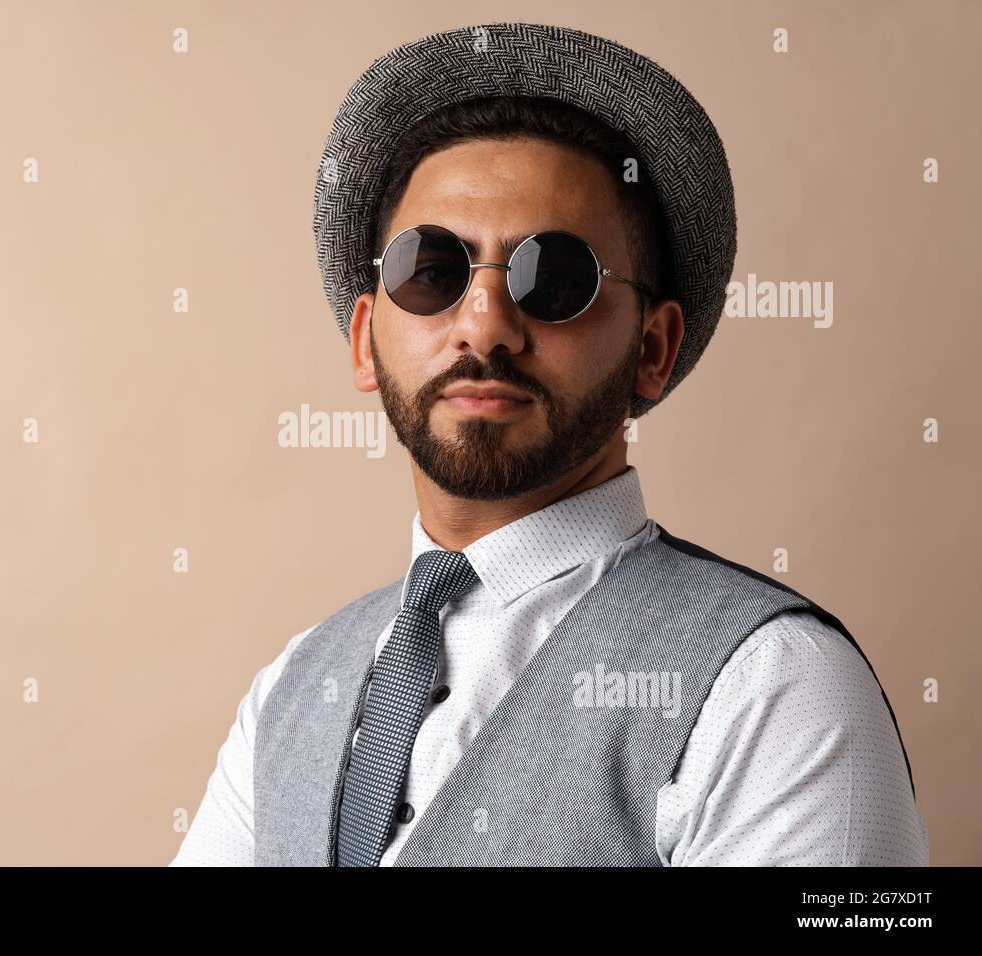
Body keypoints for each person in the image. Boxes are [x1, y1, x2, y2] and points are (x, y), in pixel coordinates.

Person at [171, 22, 928, 866]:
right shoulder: (289, 690)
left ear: (653, 348)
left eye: (556, 278)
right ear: (364, 340)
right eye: (432, 270)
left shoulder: (777, 686)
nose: (485, 325)